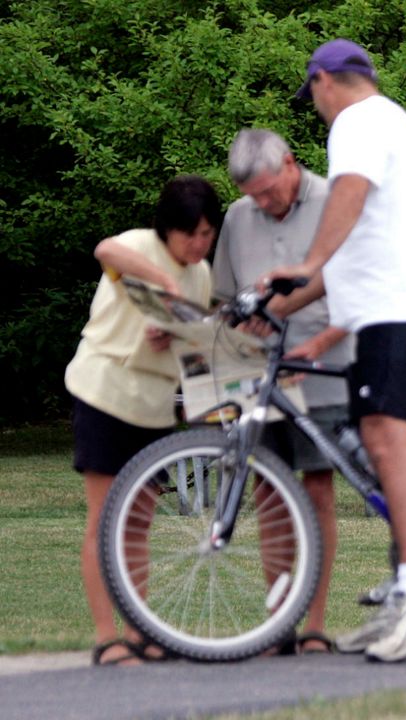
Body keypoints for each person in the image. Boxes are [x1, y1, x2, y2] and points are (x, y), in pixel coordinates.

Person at [265, 38, 406, 662]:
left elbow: (345, 196)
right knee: (381, 436)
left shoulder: (359, 120)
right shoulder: (384, 122)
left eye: (311, 95)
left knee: (386, 437)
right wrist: (280, 306)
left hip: (399, 309)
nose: (315, 108)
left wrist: (308, 257)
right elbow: (352, 244)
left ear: (323, 80)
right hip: (391, 308)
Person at [64, 175, 221, 665]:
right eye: (190, 234)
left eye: (207, 234)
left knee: (138, 524)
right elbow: (105, 249)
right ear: (167, 229)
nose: (199, 244)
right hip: (106, 392)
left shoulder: (203, 274)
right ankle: (107, 638)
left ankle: (141, 631)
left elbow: (194, 344)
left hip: (154, 407)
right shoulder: (139, 245)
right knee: (104, 518)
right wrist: (167, 284)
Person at [213, 128, 354, 655]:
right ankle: (278, 624)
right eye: (253, 196)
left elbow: (349, 279)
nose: (263, 203)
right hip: (258, 373)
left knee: (317, 487)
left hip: (323, 362)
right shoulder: (236, 217)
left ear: (290, 164)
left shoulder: (332, 201)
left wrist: (296, 326)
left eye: (269, 192)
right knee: (268, 491)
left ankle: (314, 624)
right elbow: (225, 297)